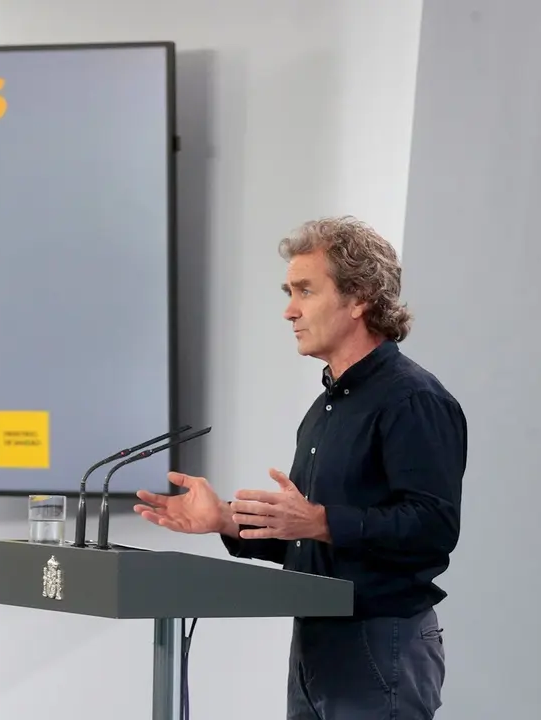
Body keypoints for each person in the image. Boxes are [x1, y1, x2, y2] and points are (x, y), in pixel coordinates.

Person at [134, 216, 467, 719]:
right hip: (316, 644)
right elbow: (309, 540)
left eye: (305, 291)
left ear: (359, 298)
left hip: (382, 643)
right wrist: (226, 520)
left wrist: (322, 521)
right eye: (289, 292)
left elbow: (433, 526)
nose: (289, 310)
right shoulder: (326, 407)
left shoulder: (412, 399)